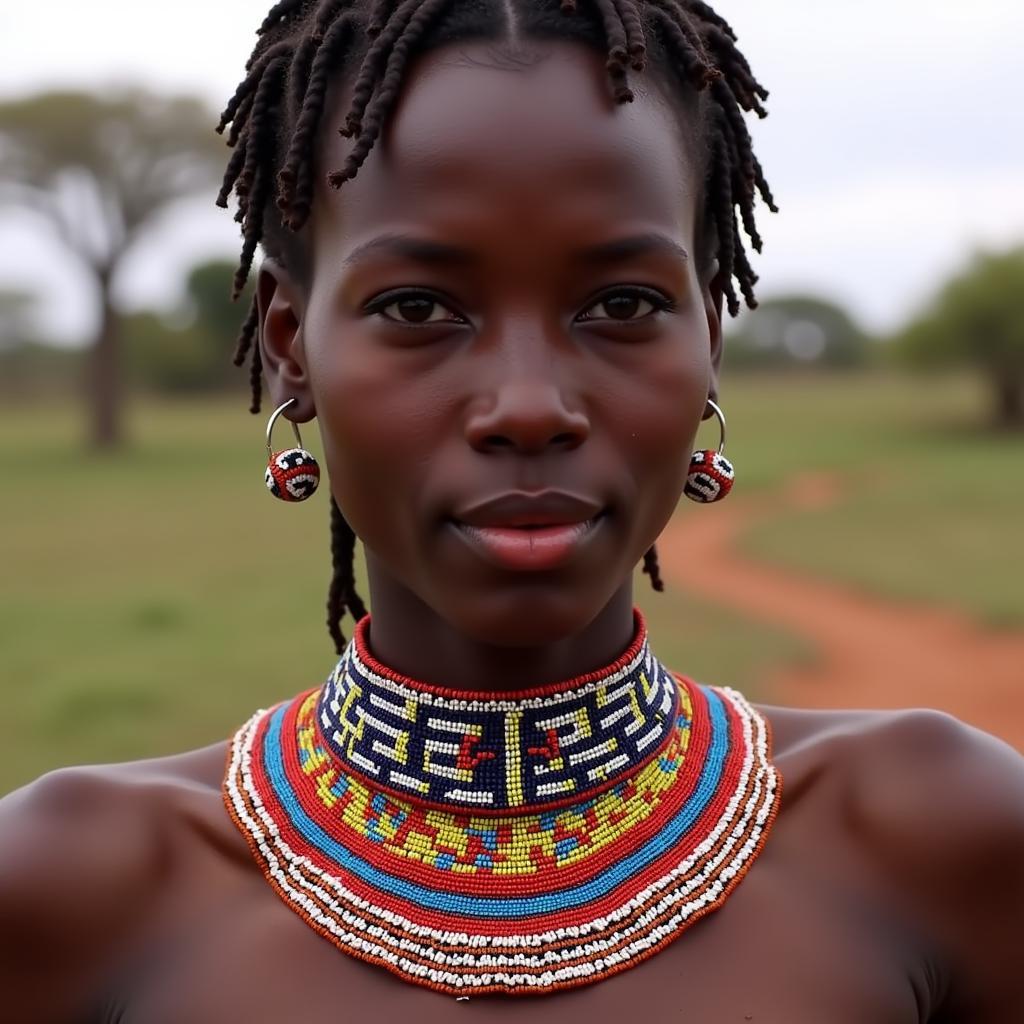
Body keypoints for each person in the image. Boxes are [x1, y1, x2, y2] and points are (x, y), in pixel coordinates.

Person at [2, 1, 1022, 1020]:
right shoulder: (71, 893)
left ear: (707, 335)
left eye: (621, 304)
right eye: (416, 308)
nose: (529, 405)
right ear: (289, 346)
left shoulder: (944, 838)